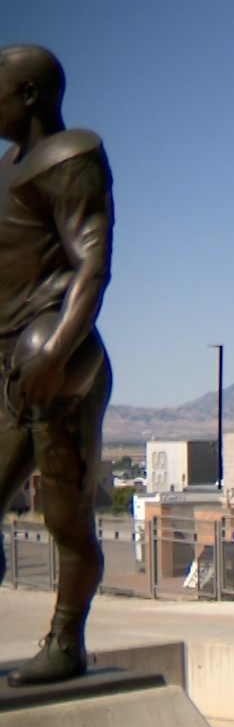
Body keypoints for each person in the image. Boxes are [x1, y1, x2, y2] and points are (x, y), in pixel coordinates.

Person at [0, 44, 114, 686]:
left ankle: (67, 639)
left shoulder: (69, 159)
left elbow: (91, 262)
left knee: (66, 519)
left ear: (29, 95)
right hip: (5, 372)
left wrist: (60, 348)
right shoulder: (4, 171)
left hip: (57, 367)